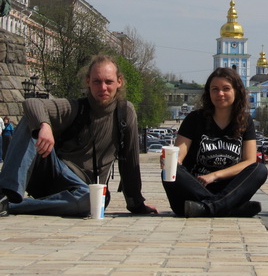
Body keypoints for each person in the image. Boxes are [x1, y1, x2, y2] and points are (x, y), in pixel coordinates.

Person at [0, 55, 157, 217]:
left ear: (119, 82)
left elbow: (130, 161)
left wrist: (136, 204)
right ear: (88, 81)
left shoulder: (125, 113)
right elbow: (32, 103)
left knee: (91, 200)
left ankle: (11, 207)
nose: (103, 87)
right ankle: (6, 193)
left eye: (108, 82)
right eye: (97, 81)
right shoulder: (76, 107)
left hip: (86, 190)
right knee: (32, 120)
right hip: (55, 173)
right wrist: (44, 125)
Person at [162, 67, 268, 217]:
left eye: (226, 88)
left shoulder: (245, 121)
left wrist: (215, 176)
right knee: (170, 170)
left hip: (227, 189)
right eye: (215, 89)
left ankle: (208, 208)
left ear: (236, 91)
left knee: (260, 169)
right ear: (209, 93)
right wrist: (171, 161)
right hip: (194, 189)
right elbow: (179, 154)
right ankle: (227, 208)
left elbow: (249, 161)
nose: (220, 93)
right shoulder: (194, 119)